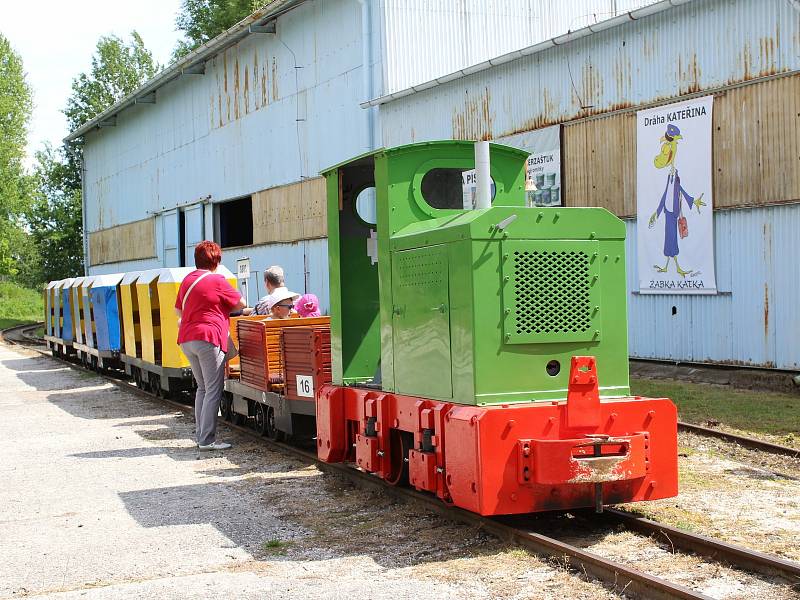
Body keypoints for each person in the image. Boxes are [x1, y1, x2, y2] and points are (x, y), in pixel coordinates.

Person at [175, 241, 245, 451]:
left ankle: (201, 436)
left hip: (187, 339)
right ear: (216, 260)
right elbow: (240, 304)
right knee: (214, 389)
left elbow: (178, 311)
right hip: (208, 338)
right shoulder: (216, 279)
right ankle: (207, 440)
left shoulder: (187, 280)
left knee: (202, 388)